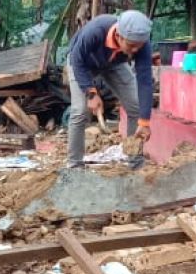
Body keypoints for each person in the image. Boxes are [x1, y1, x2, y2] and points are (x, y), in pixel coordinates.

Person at [66, 10, 154, 168]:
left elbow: (145, 81)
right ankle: (74, 167)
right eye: (131, 45)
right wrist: (91, 93)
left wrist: (145, 121)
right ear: (119, 35)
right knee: (79, 111)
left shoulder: (142, 44)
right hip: (82, 64)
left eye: (139, 46)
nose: (135, 50)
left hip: (114, 63)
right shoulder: (95, 31)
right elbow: (76, 59)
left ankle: (136, 164)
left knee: (136, 106)